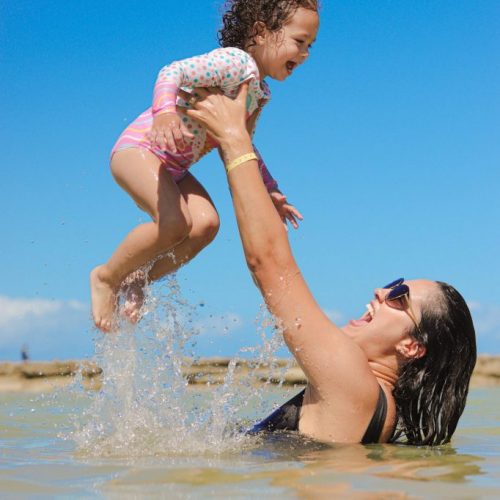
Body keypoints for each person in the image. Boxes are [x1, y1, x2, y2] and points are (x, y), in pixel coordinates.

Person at [181, 83, 477, 445]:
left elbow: (270, 265)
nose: (381, 291)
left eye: (399, 297)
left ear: (411, 346)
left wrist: (233, 139)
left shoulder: (356, 385)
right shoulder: (375, 405)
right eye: (394, 283)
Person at [90, 0, 320, 332]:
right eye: (300, 41)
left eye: (310, 45)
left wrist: (271, 189)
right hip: (140, 149)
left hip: (175, 168)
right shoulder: (235, 62)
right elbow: (172, 71)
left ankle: (139, 276)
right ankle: (106, 277)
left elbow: (242, 143)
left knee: (206, 225)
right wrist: (165, 112)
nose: (306, 53)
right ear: (259, 32)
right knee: (174, 222)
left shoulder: (259, 92)